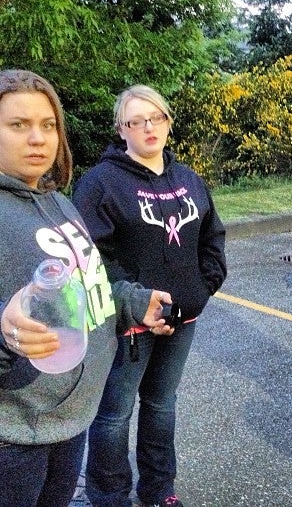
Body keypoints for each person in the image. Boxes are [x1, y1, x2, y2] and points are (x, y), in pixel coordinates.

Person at [0, 70, 172, 507]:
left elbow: (81, 289)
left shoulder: (59, 202)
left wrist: (131, 302)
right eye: (18, 125)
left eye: (48, 125)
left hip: (70, 420)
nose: (38, 138)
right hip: (14, 434)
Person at [72, 84, 227, 507]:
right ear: (121, 129)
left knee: (161, 405)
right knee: (114, 415)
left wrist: (200, 289)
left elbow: (212, 237)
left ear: (168, 122)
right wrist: (135, 302)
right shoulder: (100, 184)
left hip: (182, 319)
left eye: (156, 117)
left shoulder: (188, 179)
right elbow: (87, 258)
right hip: (127, 325)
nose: (148, 127)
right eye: (136, 121)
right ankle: (110, 497)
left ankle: (158, 490)